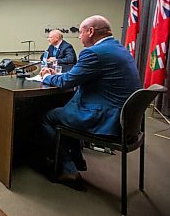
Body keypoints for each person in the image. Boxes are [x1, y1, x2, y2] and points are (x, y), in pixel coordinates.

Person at [38, 15, 141, 190]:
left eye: (80, 32)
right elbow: (76, 76)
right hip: (127, 121)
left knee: (47, 117)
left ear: (91, 31)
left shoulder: (94, 53)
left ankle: (68, 169)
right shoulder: (119, 49)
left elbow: (67, 82)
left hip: (106, 119)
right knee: (65, 109)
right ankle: (78, 159)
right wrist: (57, 76)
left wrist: (47, 76)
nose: (79, 36)